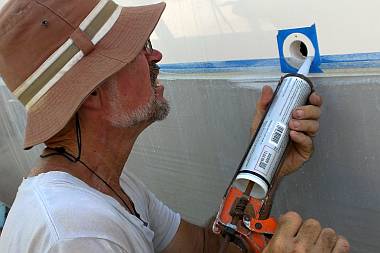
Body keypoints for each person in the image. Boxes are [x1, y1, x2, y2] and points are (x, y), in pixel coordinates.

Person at [0, 0, 349, 252]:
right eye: (140, 47)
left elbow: (211, 248)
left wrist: (265, 161)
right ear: (91, 91)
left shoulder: (111, 190)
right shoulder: (74, 235)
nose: (156, 57)